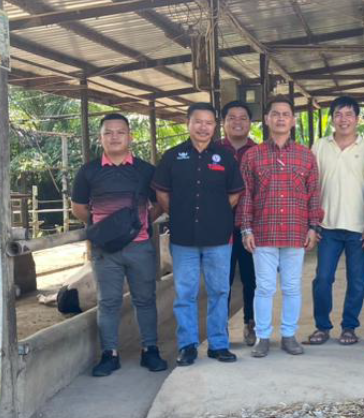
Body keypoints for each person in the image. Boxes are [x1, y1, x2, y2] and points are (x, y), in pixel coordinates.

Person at [71, 113, 167, 377]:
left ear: (130, 136)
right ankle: (109, 354)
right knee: (108, 302)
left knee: (145, 299)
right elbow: (78, 208)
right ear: (100, 137)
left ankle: (150, 350)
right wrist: (106, 228)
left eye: (120, 132)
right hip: (105, 251)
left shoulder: (145, 170)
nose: (114, 137)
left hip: (140, 247)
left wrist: (142, 223)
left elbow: (159, 203)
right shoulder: (88, 171)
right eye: (108, 132)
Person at [153, 102, 244, 366]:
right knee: (185, 294)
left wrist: (214, 212)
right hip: (183, 239)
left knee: (218, 291)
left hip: (218, 239)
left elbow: (235, 193)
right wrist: (179, 213)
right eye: (198, 122)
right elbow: (161, 193)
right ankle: (188, 345)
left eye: (208, 123)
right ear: (188, 124)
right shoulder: (172, 156)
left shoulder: (225, 158)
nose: (203, 127)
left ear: (215, 126)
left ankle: (218, 344)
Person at [237, 96, 323, 358]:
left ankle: (288, 335)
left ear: (293, 121)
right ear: (267, 119)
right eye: (276, 114)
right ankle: (262, 336)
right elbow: (245, 195)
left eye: (286, 114)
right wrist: (246, 229)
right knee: (264, 287)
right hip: (263, 232)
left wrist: (313, 226)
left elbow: (314, 194)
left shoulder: (305, 156)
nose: (281, 118)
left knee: (292, 287)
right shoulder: (253, 155)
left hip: (296, 232)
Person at [306, 96, 364, 346]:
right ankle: (322, 327)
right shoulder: (320, 146)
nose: (343, 119)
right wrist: (312, 224)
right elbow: (311, 186)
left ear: (357, 119)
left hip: (359, 228)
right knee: (323, 278)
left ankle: (349, 327)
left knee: (357, 281)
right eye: (338, 114)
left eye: (349, 114)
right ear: (332, 118)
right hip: (328, 227)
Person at [220, 100, 259, 346]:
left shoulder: (259, 152)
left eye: (242, 117)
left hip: (253, 229)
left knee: (252, 279)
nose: (237, 122)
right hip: (220, 228)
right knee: (221, 281)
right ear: (223, 123)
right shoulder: (213, 151)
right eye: (231, 117)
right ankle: (220, 328)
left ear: (250, 122)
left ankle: (250, 323)